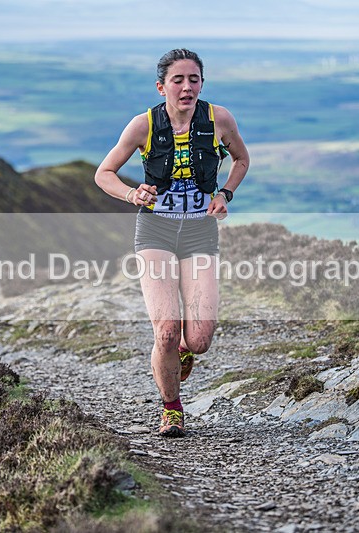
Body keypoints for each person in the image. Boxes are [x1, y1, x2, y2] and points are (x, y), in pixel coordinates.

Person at [95, 49, 249, 437]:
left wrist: (225, 194)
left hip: (200, 231)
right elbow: (104, 173)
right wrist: (132, 195)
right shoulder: (143, 125)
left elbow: (241, 160)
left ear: (201, 84)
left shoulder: (219, 119)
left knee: (198, 339)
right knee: (166, 328)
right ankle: (171, 409)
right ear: (161, 86)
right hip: (156, 231)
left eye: (194, 79)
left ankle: (180, 352)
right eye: (178, 80)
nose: (187, 87)